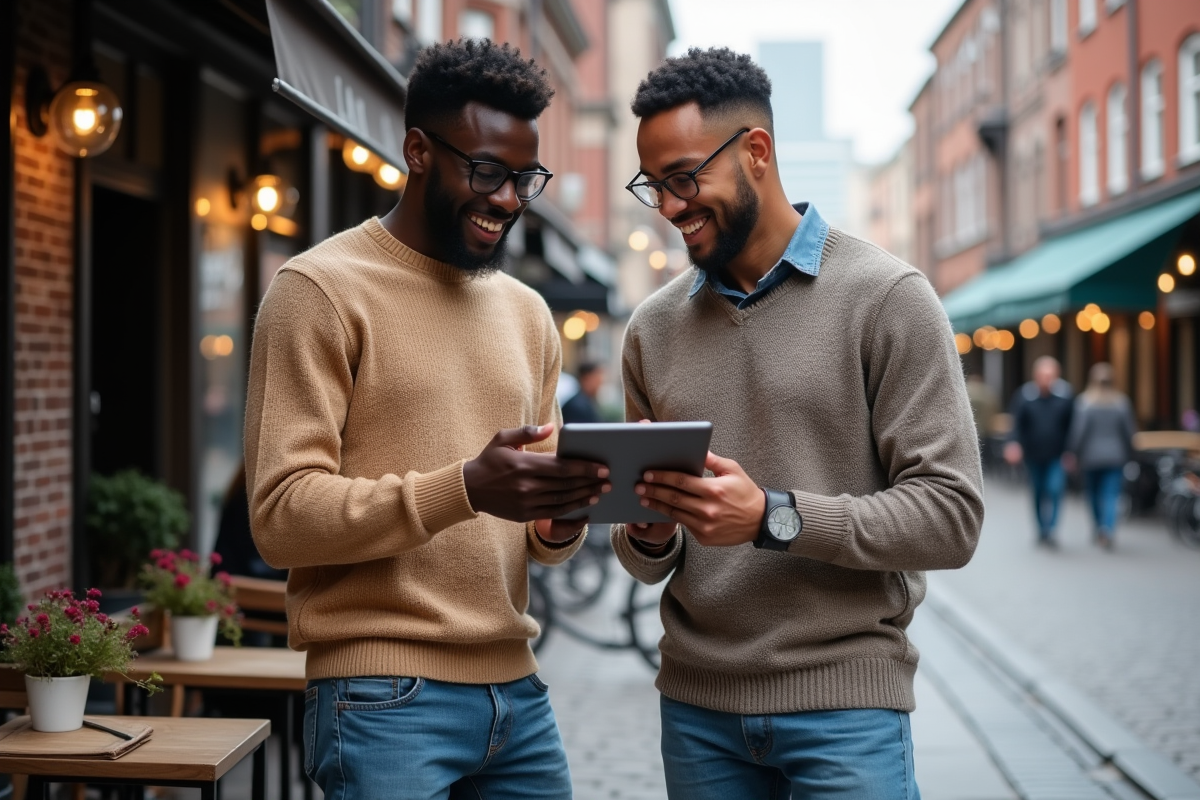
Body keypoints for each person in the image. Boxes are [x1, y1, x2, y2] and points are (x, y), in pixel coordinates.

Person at [610, 48, 984, 798]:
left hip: (847, 705)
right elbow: (645, 559)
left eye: (684, 178)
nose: (670, 207)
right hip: (698, 711)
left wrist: (772, 516)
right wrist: (648, 530)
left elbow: (951, 518)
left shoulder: (888, 298)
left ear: (756, 151)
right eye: (654, 186)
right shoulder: (651, 329)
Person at [245, 39, 612, 800]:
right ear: (416, 151)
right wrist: (465, 487)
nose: (507, 199)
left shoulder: (530, 314)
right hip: (380, 697)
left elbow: (538, 543)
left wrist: (559, 519)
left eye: (524, 179)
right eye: (486, 171)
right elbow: (280, 518)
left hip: (518, 693)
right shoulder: (319, 290)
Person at [1004, 356, 1074, 547]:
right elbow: (1016, 424)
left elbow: (1072, 426)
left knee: (1055, 489)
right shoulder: (1025, 396)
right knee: (1037, 491)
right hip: (1033, 454)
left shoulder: (1065, 397)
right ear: (1036, 376)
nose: (1046, 380)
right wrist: (1013, 444)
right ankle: (1041, 528)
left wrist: (1071, 451)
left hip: (1057, 454)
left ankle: (1051, 528)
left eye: (1050, 376)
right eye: (1043, 375)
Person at [1066, 362, 1136, 549]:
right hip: (1115, 456)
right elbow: (1129, 432)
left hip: (1090, 457)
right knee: (1111, 495)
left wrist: (1073, 452)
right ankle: (1108, 528)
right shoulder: (1121, 403)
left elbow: (1078, 432)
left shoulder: (1085, 403)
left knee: (1093, 494)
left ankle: (1099, 526)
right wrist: (1131, 452)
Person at [965, 372, 999, 464]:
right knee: (985, 456)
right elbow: (995, 409)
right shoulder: (988, 393)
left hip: (970, 429)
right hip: (986, 429)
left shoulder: (966, 392)